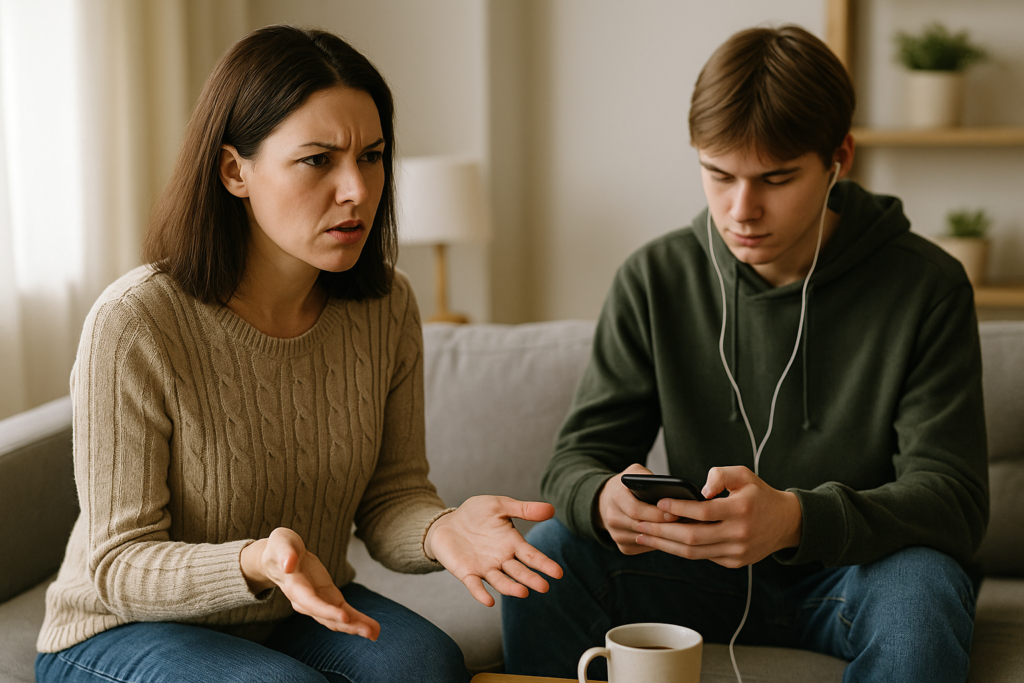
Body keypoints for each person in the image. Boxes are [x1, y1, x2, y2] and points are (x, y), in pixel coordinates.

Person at [35, 25, 561, 683]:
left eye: (371, 156)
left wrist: (442, 529)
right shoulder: (136, 320)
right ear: (235, 171)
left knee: (426, 667)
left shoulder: (385, 306)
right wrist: (255, 560)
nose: (357, 189)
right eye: (319, 160)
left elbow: (391, 496)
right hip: (118, 628)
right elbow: (119, 563)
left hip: (291, 608)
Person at [502, 25, 987, 683]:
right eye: (718, 174)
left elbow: (952, 498)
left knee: (925, 591)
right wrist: (600, 498)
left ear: (839, 157)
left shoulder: (926, 284)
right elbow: (574, 461)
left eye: (776, 178)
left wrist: (795, 519)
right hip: (691, 572)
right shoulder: (655, 277)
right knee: (551, 553)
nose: (742, 210)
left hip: (856, 574)